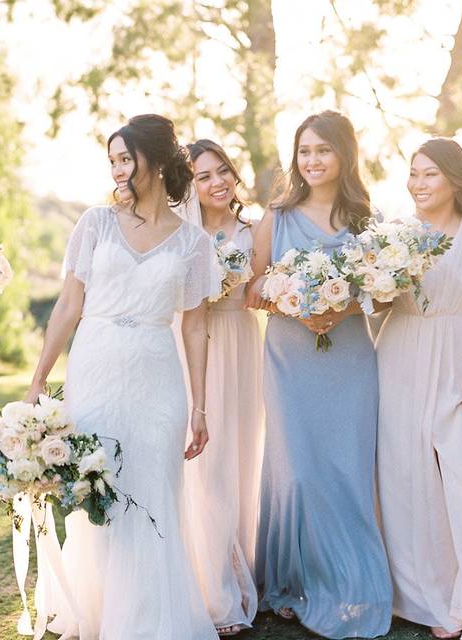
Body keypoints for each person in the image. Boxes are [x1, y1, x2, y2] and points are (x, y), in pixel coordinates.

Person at [30, 114, 220, 639]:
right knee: (100, 486)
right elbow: (69, 304)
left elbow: (196, 326)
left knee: (154, 487)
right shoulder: (94, 223)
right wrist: (40, 377)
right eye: (110, 160)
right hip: (97, 366)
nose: (116, 169)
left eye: (124, 158)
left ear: (155, 161)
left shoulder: (192, 243)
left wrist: (199, 406)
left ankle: (147, 619)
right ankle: (98, 611)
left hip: (158, 375)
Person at [246, 110, 392, 639]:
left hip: (350, 359)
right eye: (305, 151)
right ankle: (288, 583)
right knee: (299, 472)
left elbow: (383, 293)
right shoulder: (276, 217)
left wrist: (342, 309)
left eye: (323, 150)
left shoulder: (367, 222)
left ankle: (354, 587)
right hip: (290, 359)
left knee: (348, 472)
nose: (312, 160)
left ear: (343, 155)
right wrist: (298, 306)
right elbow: (252, 290)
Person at [376, 138, 462, 639]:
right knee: (401, 474)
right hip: (399, 351)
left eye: (429, 174)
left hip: (456, 354)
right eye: (413, 173)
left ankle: (459, 596)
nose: (418, 183)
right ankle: (410, 595)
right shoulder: (397, 233)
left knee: (454, 475)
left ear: (454, 177)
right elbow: (381, 299)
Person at [180, 139, 263, 636]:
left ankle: (239, 569)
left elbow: (263, 291)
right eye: (203, 176)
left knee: (239, 458)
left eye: (223, 171)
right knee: (203, 467)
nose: (217, 182)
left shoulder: (254, 233)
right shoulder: (181, 235)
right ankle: (210, 587)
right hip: (194, 345)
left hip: (240, 342)